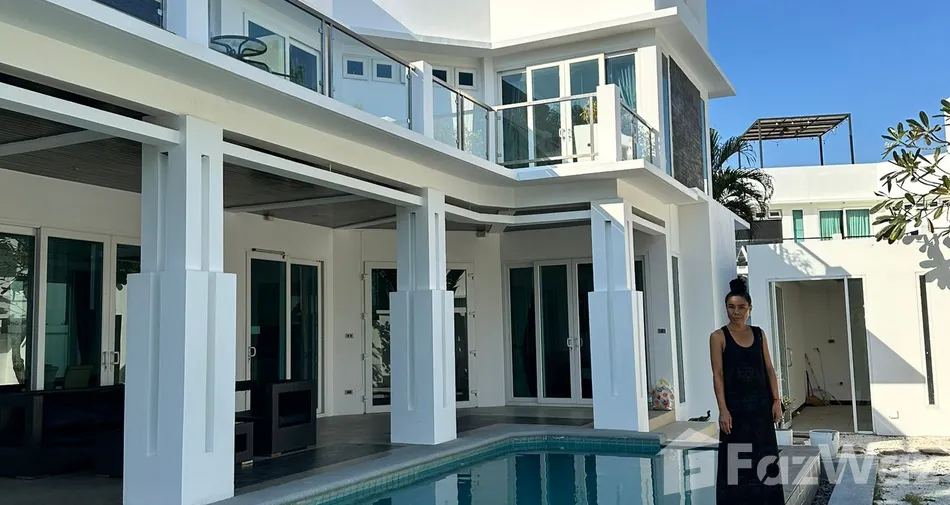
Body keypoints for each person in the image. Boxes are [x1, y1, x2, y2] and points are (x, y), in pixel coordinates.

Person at [710, 277, 784, 504]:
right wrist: (723, 410)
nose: (736, 312)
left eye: (741, 307)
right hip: (735, 412)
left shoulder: (759, 334)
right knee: (736, 464)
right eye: (731, 307)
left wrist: (776, 401)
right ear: (726, 308)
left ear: (750, 308)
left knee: (765, 461)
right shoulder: (718, 337)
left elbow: (769, 369)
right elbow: (718, 375)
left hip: (761, 409)